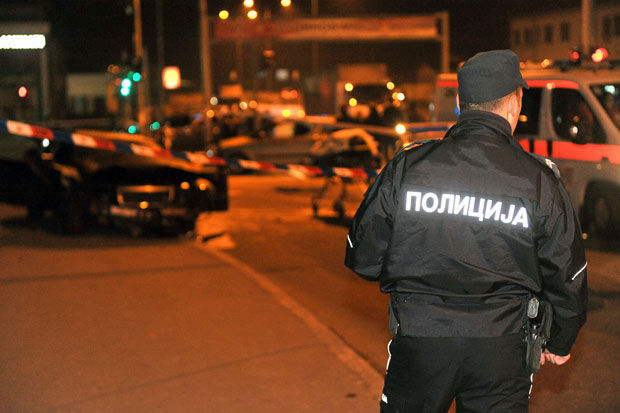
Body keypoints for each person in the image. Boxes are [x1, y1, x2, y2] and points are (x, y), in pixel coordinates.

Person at [345, 50, 588, 412]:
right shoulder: (539, 181)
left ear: (460, 102)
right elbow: (568, 275)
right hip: (502, 351)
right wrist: (560, 341)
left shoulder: (409, 166)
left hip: (422, 343)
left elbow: (362, 257)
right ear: (513, 105)